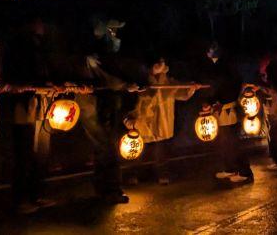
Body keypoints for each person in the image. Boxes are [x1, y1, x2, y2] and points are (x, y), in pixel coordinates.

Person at [78, 18, 139, 204]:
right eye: (111, 32)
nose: (115, 36)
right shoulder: (94, 57)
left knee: (104, 147)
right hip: (93, 106)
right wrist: (125, 85)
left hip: (104, 105)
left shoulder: (104, 56)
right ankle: (110, 189)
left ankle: (104, 189)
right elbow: (108, 79)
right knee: (106, 147)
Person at [0, 17, 54, 214]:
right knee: (24, 151)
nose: (42, 26)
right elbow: (13, 74)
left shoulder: (41, 46)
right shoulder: (17, 45)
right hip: (24, 104)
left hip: (42, 104)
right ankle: (21, 198)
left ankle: (37, 194)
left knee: (41, 152)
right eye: (38, 21)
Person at [125, 57, 204, 184]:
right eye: (158, 63)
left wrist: (191, 87)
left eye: (162, 64)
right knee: (138, 151)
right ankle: (134, 174)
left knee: (161, 152)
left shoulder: (168, 82)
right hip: (143, 123)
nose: (160, 66)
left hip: (162, 123)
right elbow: (130, 100)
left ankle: (162, 174)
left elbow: (181, 92)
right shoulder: (140, 81)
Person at [197, 42, 253, 184]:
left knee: (232, 142)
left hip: (227, 106)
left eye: (212, 49)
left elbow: (225, 87)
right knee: (225, 142)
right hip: (221, 106)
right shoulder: (220, 66)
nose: (210, 52)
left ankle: (245, 172)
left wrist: (213, 100)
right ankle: (230, 168)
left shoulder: (225, 66)